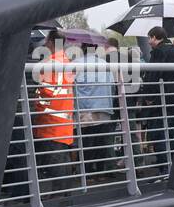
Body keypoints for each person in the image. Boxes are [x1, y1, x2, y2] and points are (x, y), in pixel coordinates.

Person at [30, 30, 76, 197]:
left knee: (54, 159)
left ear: (50, 42)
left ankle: (58, 196)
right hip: (64, 117)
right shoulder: (67, 61)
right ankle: (64, 193)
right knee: (62, 157)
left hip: (50, 120)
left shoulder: (48, 63)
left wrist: (36, 107)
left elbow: (43, 91)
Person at [140, 26, 174, 170]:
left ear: (154, 37)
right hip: (172, 95)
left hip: (159, 98)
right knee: (171, 131)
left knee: (158, 133)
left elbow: (153, 75)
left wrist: (149, 97)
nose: (148, 41)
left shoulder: (158, 52)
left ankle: (164, 167)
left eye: (149, 38)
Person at [76, 41, 118, 175]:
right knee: (101, 143)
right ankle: (99, 172)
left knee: (87, 142)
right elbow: (112, 84)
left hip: (86, 109)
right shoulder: (104, 64)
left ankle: (87, 173)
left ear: (82, 48)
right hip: (104, 108)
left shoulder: (76, 63)